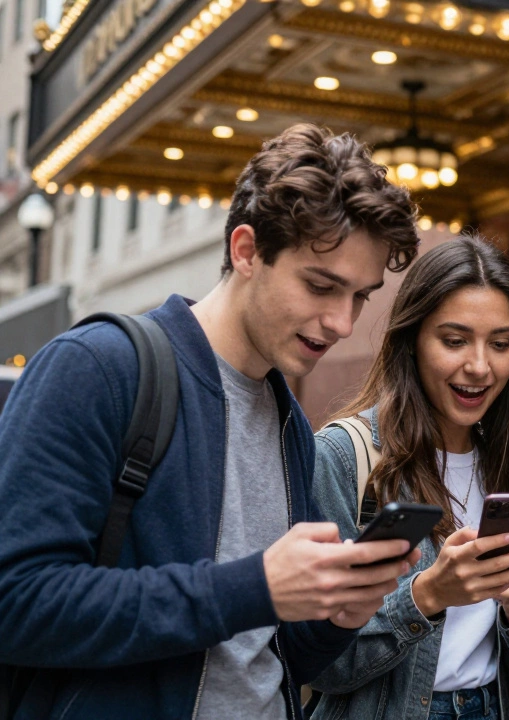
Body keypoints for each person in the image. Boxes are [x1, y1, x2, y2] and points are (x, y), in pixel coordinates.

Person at [0, 124, 421, 719]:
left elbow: (268, 658)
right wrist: (256, 587)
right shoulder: (98, 367)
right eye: (321, 285)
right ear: (246, 251)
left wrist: (338, 615)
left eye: (359, 295)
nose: (342, 323)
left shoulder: (290, 425)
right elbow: (15, 603)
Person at [308, 236, 509, 720]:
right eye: (454, 341)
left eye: (500, 343)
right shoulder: (345, 456)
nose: (479, 366)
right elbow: (318, 663)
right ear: (411, 340)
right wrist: (428, 595)